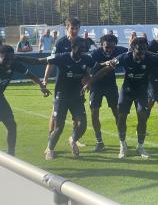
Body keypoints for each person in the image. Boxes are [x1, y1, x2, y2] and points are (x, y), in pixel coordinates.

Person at [83, 37, 158, 159]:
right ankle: (123, 145)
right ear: (132, 50)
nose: (141, 55)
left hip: (142, 91)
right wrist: (90, 82)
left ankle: (140, 146)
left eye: (143, 52)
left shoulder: (151, 58)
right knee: (121, 114)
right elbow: (105, 70)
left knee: (142, 114)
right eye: (138, 52)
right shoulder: (124, 57)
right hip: (127, 90)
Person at [43, 17, 86, 149]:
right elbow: (50, 62)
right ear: (66, 28)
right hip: (62, 85)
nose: (74, 30)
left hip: (77, 84)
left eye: (77, 28)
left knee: (76, 115)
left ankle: (74, 138)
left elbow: (86, 62)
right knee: (55, 115)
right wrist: (45, 79)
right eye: (72, 28)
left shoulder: (82, 43)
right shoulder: (60, 43)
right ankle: (50, 141)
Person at [0, 45, 50, 156]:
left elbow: (31, 75)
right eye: (6, 59)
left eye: (11, 58)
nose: (9, 62)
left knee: (11, 125)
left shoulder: (14, 64)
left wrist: (42, 85)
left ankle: (11, 156)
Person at [89, 34, 127, 152]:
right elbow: (91, 66)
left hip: (111, 85)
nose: (110, 50)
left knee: (117, 112)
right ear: (101, 45)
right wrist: (103, 63)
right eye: (107, 47)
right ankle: (99, 141)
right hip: (96, 85)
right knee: (94, 111)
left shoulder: (120, 50)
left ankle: (122, 141)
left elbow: (134, 51)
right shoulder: (95, 53)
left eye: (112, 47)